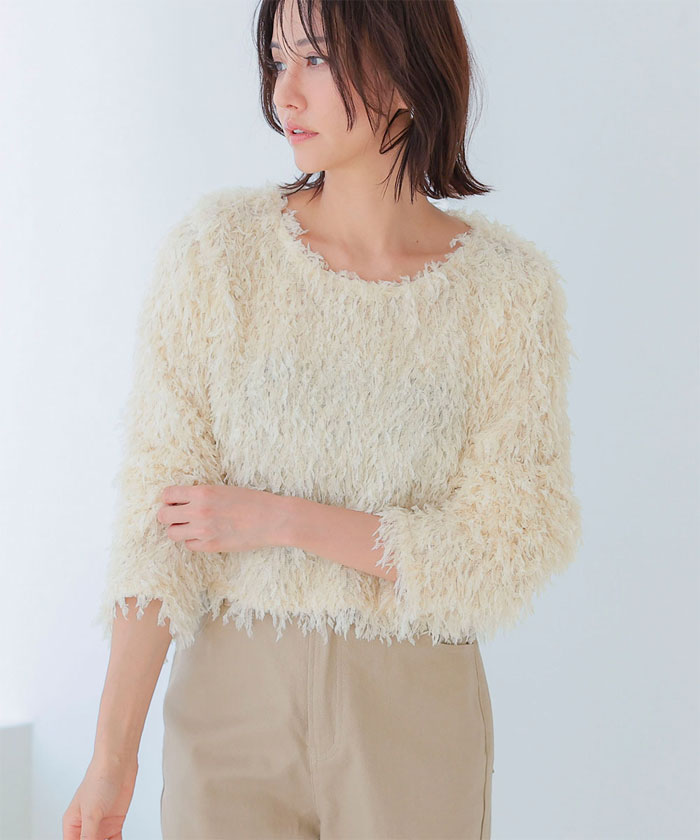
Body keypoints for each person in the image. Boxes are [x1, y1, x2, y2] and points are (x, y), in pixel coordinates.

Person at [63, 0, 583, 838]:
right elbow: (156, 526)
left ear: (403, 67)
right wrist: (111, 757)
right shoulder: (218, 253)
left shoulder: (506, 291)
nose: (284, 94)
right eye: (278, 60)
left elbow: (510, 543)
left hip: (412, 707)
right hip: (230, 703)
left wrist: (282, 520)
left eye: (315, 59)